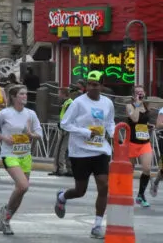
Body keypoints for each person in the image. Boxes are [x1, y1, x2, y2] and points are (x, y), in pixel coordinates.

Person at [55, 70, 115, 239]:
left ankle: (97, 226)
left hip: (100, 150)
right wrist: (84, 132)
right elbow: (65, 124)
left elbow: (109, 123)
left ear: (102, 85)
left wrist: (115, 135)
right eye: (89, 84)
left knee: (104, 186)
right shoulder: (78, 103)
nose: (91, 88)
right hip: (80, 152)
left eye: (95, 85)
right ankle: (62, 196)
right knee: (80, 190)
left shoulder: (107, 103)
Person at [0, 85, 44, 236]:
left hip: (25, 155)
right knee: (23, 186)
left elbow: (39, 133)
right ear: (13, 97)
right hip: (10, 155)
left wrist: (31, 134)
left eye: (26, 94)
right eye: (21, 94)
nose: (25, 96)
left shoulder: (30, 114)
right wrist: (3, 138)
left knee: (21, 191)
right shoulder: (5, 113)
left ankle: (6, 219)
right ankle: (6, 212)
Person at [125, 85, 154, 207]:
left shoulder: (147, 106)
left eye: (141, 92)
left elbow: (143, 122)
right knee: (128, 170)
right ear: (133, 95)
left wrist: (148, 126)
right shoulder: (129, 106)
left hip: (144, 142)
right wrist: (137, 104)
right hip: (132, 142)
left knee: (147, 169)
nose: (140, 94)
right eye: (137, 93)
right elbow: (135, 119)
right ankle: (125, 194)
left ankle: (141, 195)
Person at [52, 81, 84, 177]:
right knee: (67, 149)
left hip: (66, 129)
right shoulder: (69, 102)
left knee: (60, 149)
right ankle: (70, 169)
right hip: (69, 128)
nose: (58, 95)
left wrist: (62, 125)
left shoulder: (69, 103)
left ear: (63, 94)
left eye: (59, 93)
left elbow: (68, 117)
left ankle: (59, 168)